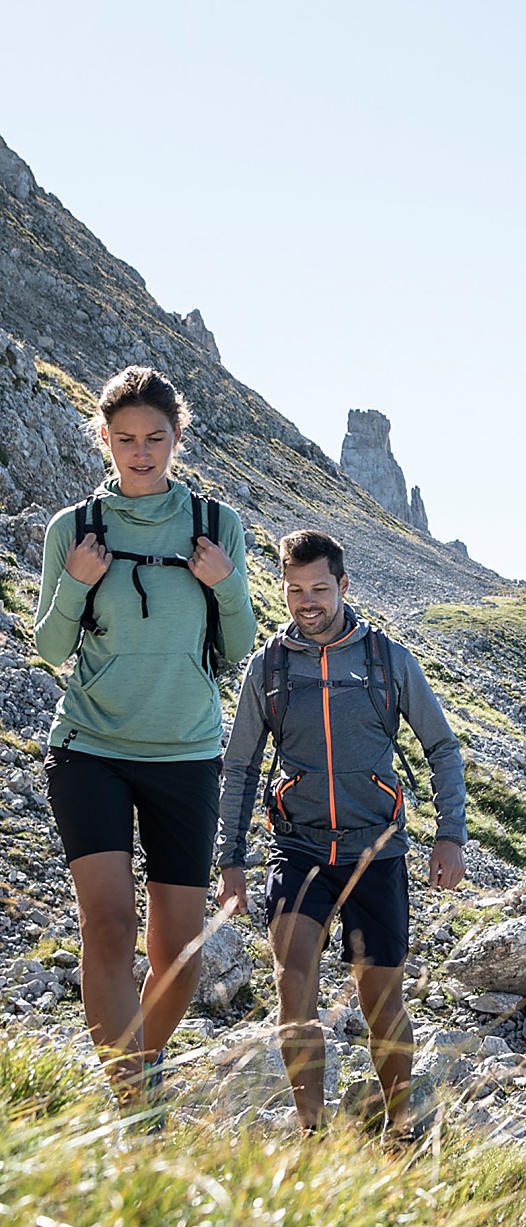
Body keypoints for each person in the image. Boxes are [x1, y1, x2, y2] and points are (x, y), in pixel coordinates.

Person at [35, 365, 256, 1107]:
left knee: (180, 954)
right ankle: (134, 1105)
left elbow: (237, 648)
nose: (140, 452)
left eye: (155, 438)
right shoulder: (74, 528)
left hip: (186, 754)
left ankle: (144, 1066)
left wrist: (224, 583)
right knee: (108, 923)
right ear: (103, 438)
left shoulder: (216, 525)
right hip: (89, 748)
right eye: (125, 438)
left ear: (177, 438)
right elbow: (49, 647)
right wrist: (76, 579)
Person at [216, 529, 466, 1145]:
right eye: (296, 589)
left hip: (375, 852)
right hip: (297, 848)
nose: (308, 601)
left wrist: (450, 836)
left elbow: (442, 748)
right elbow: (241, 766)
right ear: (282, 588)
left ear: (343, 586)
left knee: (380, 999)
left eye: (320, 589)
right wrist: (231, 860)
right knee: (292, 978)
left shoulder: (386, 660)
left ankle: (402, 1132)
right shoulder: (269, 668)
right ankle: (310, 1132)